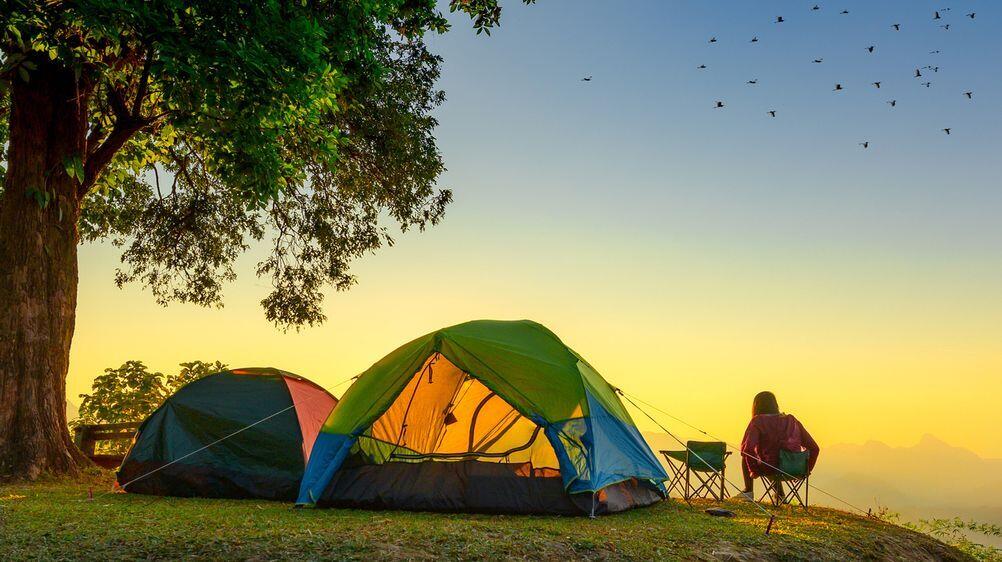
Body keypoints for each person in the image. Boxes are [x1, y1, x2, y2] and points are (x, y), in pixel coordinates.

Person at [738, 391, 819, 500]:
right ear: (775, 405)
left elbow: (747, 450)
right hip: (795, 469)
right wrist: (806, 470)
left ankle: (748, 491)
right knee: (776, 459)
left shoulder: (758, 421)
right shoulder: (792, 420)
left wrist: (753, 470)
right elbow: (814, 448)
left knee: (748, 458)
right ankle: (780, 495)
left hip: (771, 468)